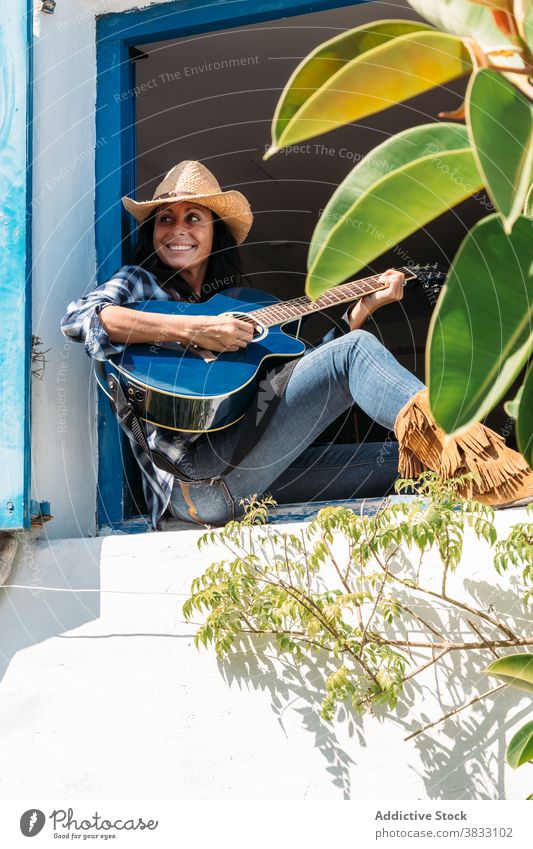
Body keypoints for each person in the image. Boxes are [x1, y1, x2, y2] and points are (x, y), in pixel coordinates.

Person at [61, 160, 532, 529]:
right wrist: (194, 331)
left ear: (213, 232)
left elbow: (296, 385)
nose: (178, 228)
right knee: (355, 353)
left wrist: (358, 315)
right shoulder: (140, 285)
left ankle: (488, 485)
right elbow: (81, 318)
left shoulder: (239, 303)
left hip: (251, 474)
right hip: (194, 484)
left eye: (193, 217)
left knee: (408, 462)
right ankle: (486, 463)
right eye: (165, 218)